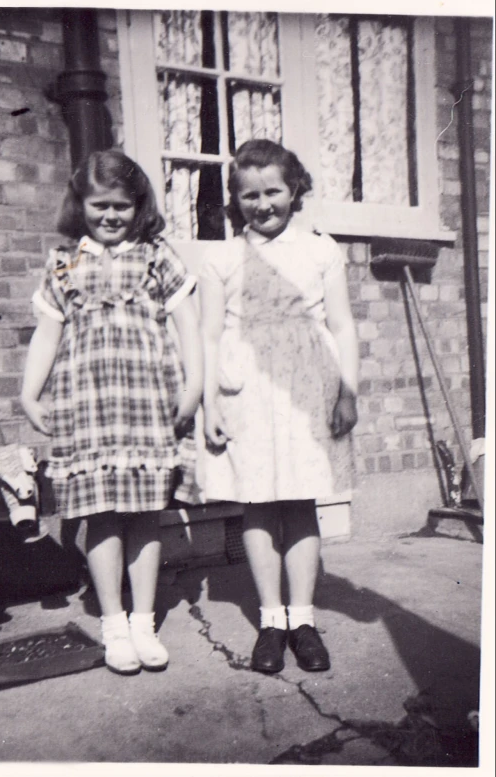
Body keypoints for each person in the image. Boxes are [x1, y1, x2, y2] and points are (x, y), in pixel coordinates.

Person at [21, 149, 203, 675]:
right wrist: (31, 394)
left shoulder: (156, 255)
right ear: (80, 205)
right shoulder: (65, 262)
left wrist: (193, 387)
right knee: (100, 514)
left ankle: (144, 621)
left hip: (147, 402)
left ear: (138, 205)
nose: (110, 216)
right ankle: (113, 622)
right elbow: (47, 334)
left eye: (121, 206)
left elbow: (187, 325)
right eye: (99, 205)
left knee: (146, 513)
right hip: (87, 405)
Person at [199, 139, 358, 674]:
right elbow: (209, 332)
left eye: (273, 192)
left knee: (301, 502)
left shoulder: (319, 250)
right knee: (259, 503)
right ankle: (271, 621)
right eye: (250, 195)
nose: (263, 204)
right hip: (246, 391)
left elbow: (341, 325)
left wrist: (347, 392)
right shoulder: (220, 257)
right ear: (235, 200)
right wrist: (209, 405)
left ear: (294, 191)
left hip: (306, 389)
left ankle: (303, 620)